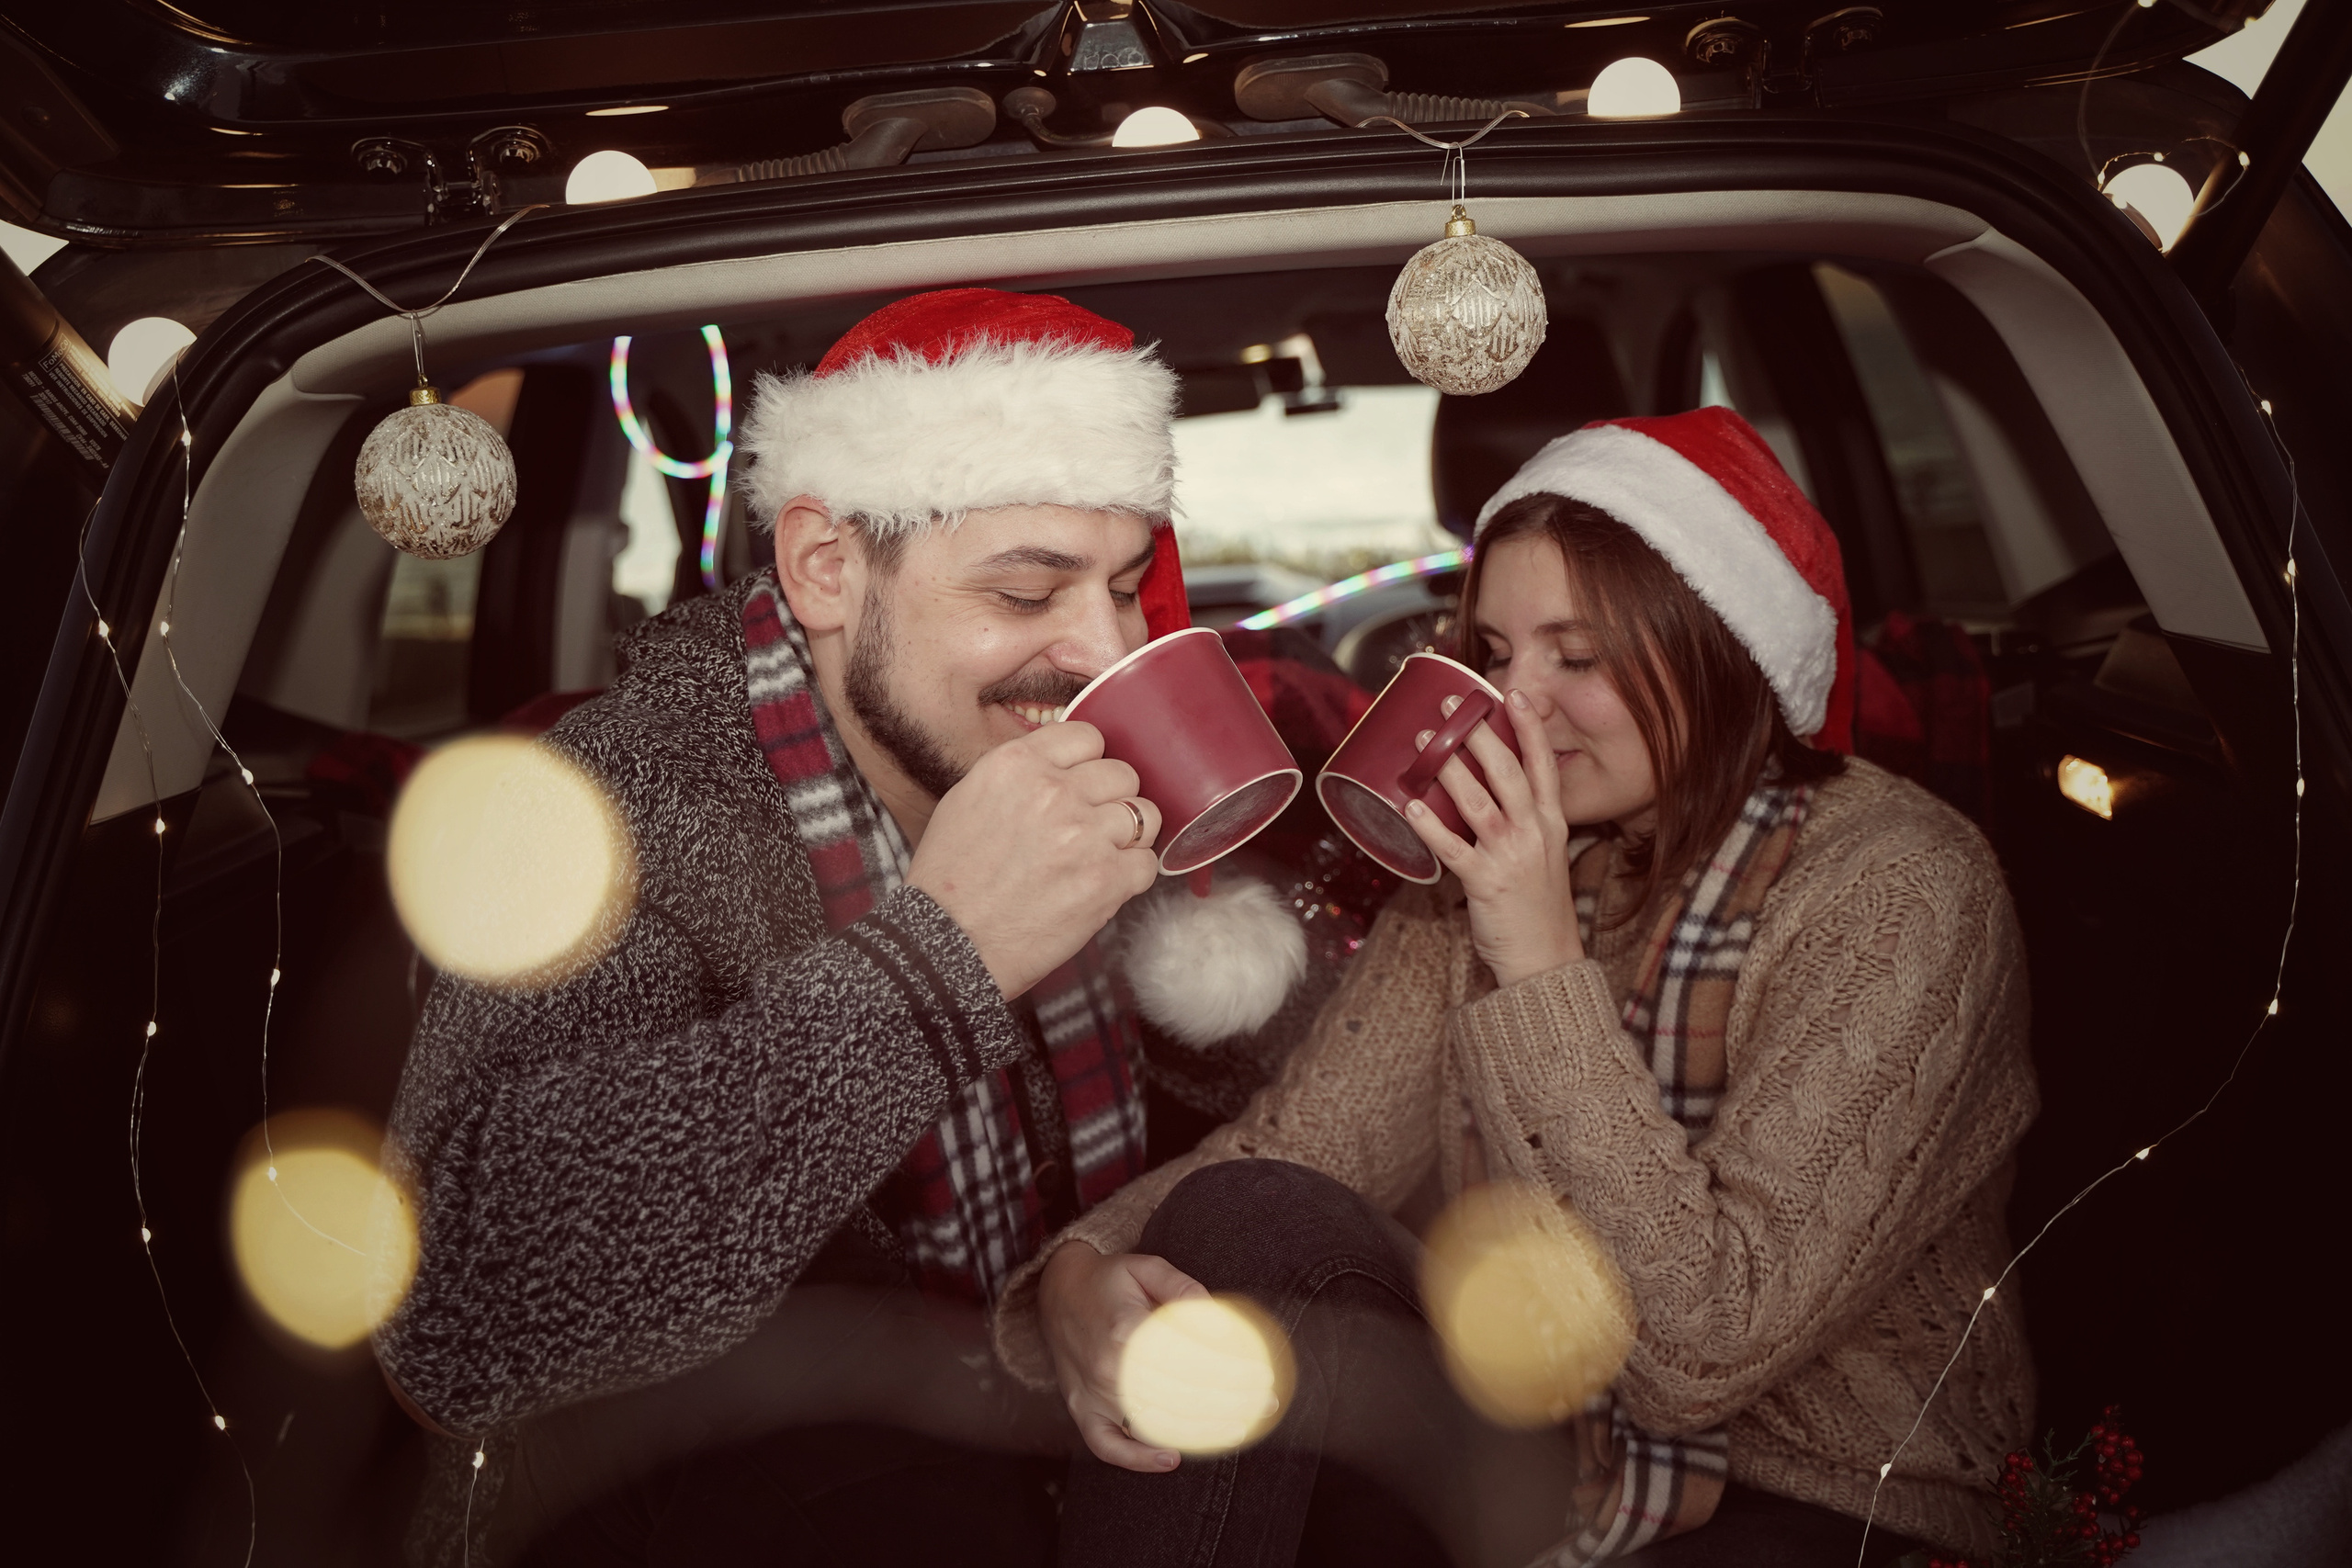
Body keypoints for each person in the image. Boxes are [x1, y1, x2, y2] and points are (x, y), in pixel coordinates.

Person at [996, 409, 2040, 1567]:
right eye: (1492, 655)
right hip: (1539, 1451)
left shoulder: (1900, 887)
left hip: (1831, 1501)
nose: (1517, 705)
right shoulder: (1469, 873)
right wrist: (1074, 1278)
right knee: (1245, 1225)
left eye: (1577, 657)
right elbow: (1295, 1159)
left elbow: (1698, 1358)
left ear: (1719, 648)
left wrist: (1536, 960)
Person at [376, 288, 1197, 1565]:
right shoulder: (613, 805)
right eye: (1030, 590)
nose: (1101, 646)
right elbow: (455, 1310)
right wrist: (941, 959)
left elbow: (1259, 1095)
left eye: (1127, 584)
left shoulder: (1091, 763)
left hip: (1057, 1457)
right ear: (824, 566)